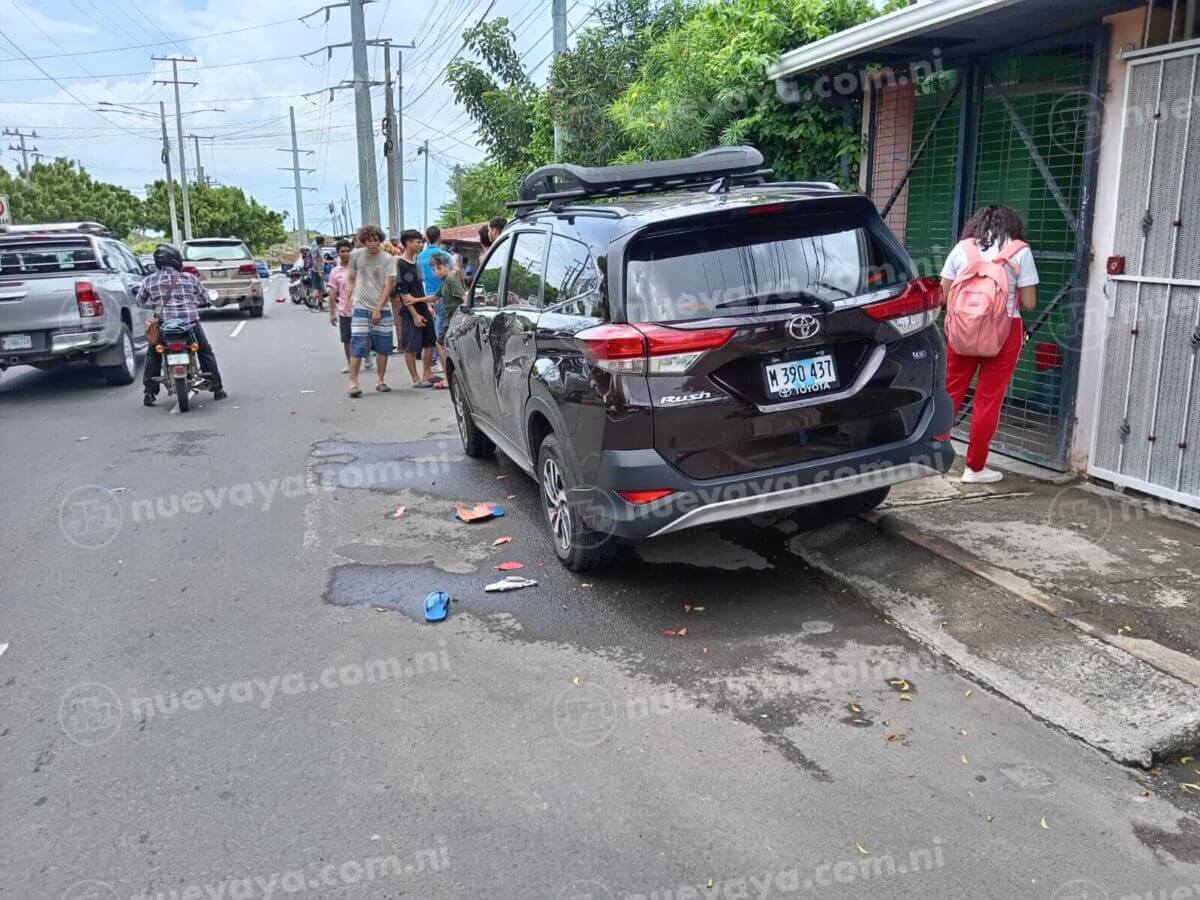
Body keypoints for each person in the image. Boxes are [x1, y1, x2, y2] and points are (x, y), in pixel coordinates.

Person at [940, 205, 1039, 484]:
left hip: (962, 331)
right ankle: (975, 468)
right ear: (1013, 225)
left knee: (950, 393)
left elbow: (942, 295)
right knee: (988, 399)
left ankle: (932, 458)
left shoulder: (962, 249)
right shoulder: (1020, 251)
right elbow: (1029, 302)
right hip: (1005, 331)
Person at [138, 244, 226, 406]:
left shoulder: (149, 281)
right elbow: (205, 298)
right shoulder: (189, 278)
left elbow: (140, 301)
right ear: (176, 260)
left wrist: (154, 305)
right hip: (189, 325)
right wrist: (202, 303)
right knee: (205, 352)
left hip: (165, 327)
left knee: (153, 355)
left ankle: (149, 393)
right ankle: (217, 388)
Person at [344, 225, 397, 397]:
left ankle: (380, 380)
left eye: (375, 240)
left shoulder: (388, 259)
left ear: (380, 240)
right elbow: (351, 279)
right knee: (358, 344)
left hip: (382, 307)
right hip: (360, 306)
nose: (373, 244)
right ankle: (353, 382)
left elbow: (389, 285)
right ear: (363, 241)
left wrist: (378, 308)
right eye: (369, 240)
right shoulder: (356, 256)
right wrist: (347, 300)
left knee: (382, 346)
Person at [395, 229, 439, 388]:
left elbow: (421, 286)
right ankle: (415, 378)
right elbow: (403, 293)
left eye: (421, 241)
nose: (421, 244)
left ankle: (427, 373)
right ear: (408, 243)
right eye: (418, 241)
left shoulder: (417, 261)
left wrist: (427, 306)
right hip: (410, 310)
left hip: (423, 305)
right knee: (411, 346)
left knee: (430, 341)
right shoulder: (401, 263)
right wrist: (414, 314)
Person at [430, 252, 463, 379]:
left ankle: (447, 375)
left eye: (438, 268)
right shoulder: (446, 281)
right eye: (434, 269)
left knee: (440, 343)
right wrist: (415, 300)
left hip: (452, 318)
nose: (436, 272)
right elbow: (433, 297)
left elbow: (463, 297)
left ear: (445, 266)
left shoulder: (450, 280)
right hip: (450, 318)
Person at [327, 239, 354, 373]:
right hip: (344, 310)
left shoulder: (358, 268)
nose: (345, 254)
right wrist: (332, 312)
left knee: (364, 336)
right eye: (342, 251)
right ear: (338, 253)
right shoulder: (335, 272)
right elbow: (332, 293)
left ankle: (365, 356)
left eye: (348, 251)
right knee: (347, 339)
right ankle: (350, 362)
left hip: (361, 308)